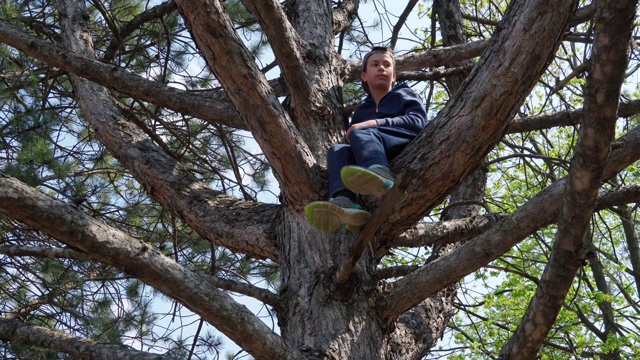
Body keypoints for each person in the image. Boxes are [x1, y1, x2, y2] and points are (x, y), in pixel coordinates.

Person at [304, 46, 428, 232]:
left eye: (387, 65)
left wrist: (373, 123)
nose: (381, 68)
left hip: (403, 139)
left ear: (394, 76)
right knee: (338, 150)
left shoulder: (404, 93)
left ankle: (382, 175)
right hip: (376, 149)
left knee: (360, 132)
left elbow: (418, 121)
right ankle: (346, 203)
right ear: (364, 76)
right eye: (375, 64)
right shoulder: (362, 110)